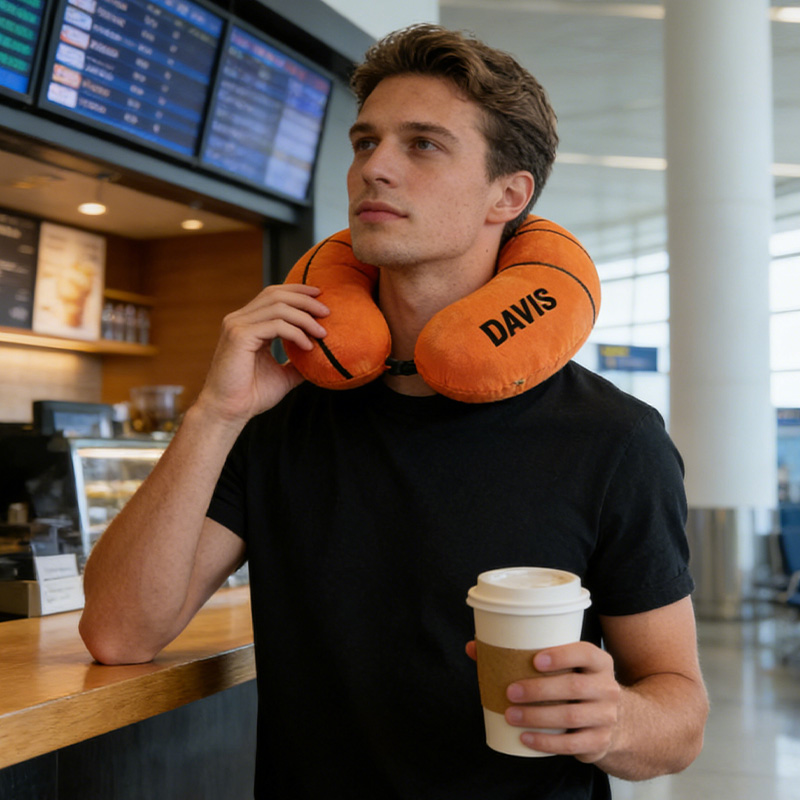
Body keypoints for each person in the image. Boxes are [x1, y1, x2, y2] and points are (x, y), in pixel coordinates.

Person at [79, 24, 708, 799]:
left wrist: (614, 720)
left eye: (423, 145)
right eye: (365, 140)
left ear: (508, 195)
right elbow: (118, 633)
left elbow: (679, 712)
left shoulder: (613, 438)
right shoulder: (279, 413)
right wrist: (215, 412)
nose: (373, 168)